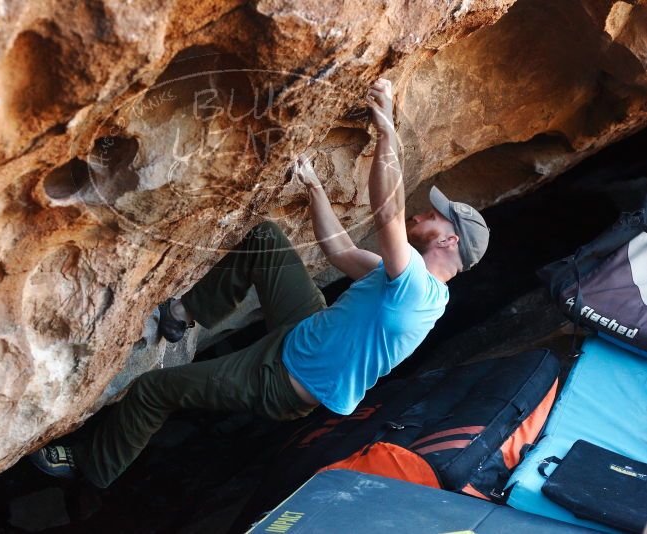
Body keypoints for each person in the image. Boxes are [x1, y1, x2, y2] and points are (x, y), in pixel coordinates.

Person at [29, 78, 490, 488]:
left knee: (154, 390)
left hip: (282, 379)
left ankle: (91, 466)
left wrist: (387, 129)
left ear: (449, 238)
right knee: (264, 238)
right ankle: (181, 315)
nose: (422, 214)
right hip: (307, 330)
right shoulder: (405, 283)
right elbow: (342, 252)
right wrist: (314, 189)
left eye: (434, 215)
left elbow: (386, 212)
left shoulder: (416, 290)